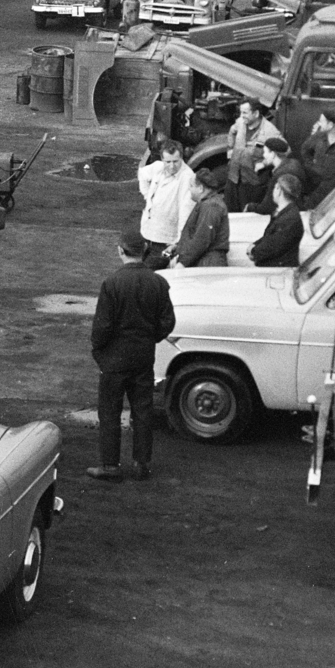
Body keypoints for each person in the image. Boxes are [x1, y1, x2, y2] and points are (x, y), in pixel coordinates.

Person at [87, 228, 176, 481]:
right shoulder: (158, 282)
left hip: (114, 359)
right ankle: (142, 464)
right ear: (145, 251)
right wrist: (151, 338)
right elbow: (167, 321)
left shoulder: (112, 283)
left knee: (110, 412)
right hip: (143, 357)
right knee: (143, 411)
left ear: (120, 251)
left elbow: (102, 326)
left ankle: (110, 465)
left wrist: (99, 350)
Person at [137, 140, 192, 269]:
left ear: (181, 158)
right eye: (168, 162)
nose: (172, 166)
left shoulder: (187, 178)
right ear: (162, 159)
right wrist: (148, 197)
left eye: (175, 161)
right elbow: (142, 175)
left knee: (148, 274)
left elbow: (186, 213)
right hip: (147, 233)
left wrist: (178, 242)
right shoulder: (157, 167)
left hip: (165, 240)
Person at [174, 165, 230, 267]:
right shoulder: (207, 204)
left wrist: (183, 262)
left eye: (191, 186)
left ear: (200, 188)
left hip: (208, 263)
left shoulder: (211, 206)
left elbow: (202, 239)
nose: (189, 190)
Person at [225, 100, 275, 212]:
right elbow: (232, 132)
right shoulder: (240, 122)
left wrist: (264, 163)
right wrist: (230, 152)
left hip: (251, 184)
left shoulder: (270, 131)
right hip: (234, 178)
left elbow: (284, 151)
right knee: (230, 212)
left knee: (247, 215)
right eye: (241, 112)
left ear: (256, 114)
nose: (241, 116)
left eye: (245, 113)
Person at [249, 173, 306, 267]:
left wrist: (253, 251)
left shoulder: (289, 219)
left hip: (278, 269)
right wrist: (256, 245)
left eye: (275, 187)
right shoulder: (286, 213)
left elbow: (272, 246)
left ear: (279, 191)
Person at [246, 137, 303, 216]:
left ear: (273, 154)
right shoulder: (294, 162)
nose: (263, 155)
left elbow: (266, 208)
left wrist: (249, 207)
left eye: (265, 152)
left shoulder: (279, 175)